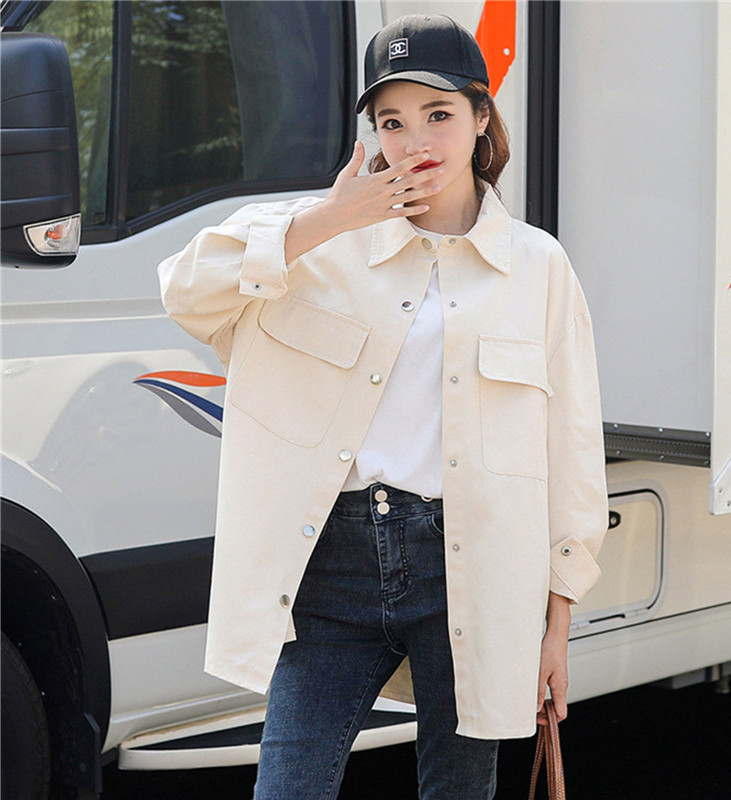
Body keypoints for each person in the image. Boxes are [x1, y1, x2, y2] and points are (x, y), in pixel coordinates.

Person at [158, 13, 608, 800]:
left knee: (457, 790)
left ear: (481, 116)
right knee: (287, 786)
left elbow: (570, 449)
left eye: (438, 114)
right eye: (392, 122)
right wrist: (332, 217)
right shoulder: (315, 243)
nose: (415, 141)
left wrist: (557, 625)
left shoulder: (537, 266)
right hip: (331, 567)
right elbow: (184, 291)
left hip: (471, 568)